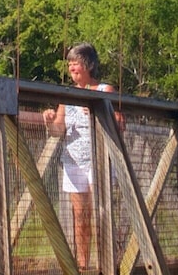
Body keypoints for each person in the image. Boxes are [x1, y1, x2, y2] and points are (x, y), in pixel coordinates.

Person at [40, 43, 121, 268]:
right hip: (73, 161)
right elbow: (58, 130)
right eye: (69, 64)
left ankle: (108, 263)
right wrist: (49, 121)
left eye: (75, 63)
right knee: (80, 216)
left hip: (99, 160)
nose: (71, 68)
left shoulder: (105, 91)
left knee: (102, 213)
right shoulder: (67, 96)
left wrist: (100, 113)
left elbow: (120, 124)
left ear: (89, 65)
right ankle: (83, 265)